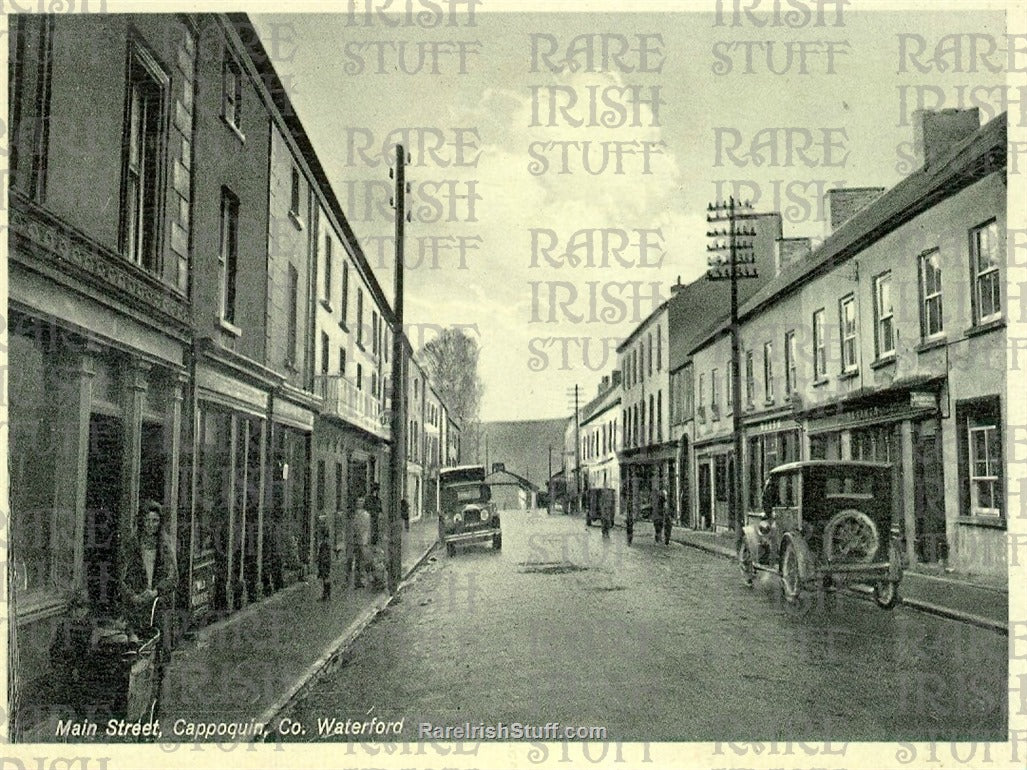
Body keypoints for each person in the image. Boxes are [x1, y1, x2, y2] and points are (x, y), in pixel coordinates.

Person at [119, 500, 178, 657]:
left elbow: (173, 577)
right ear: (141, 521)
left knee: (161, 650)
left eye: (155, 521)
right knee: (138, 649)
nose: (151, 525)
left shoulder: (165, 546)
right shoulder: (131, 545)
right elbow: (121, 578)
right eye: (147, 520)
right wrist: (133, 596)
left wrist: (156, 591)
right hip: (136, 605)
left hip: (159, 604)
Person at [350, 497, 372, 588]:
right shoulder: (355, 515)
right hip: (357, 540)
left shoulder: (366, 515)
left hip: (364, 541)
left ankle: (365, 579)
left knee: (364, 561)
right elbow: (353, 527)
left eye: (361, 502)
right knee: (358, 561)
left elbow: (368, 528)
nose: (359, 503)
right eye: (358, 501)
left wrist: (367, 539)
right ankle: (357, 580)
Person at [317, 530, 332, 601]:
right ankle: (327, 594)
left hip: (323, 564)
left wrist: (321, 562)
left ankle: (325, 595)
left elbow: (322, 555)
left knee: (324, 578)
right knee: (326, 578)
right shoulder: (327, 545)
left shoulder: (323, 545)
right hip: (326, 563)